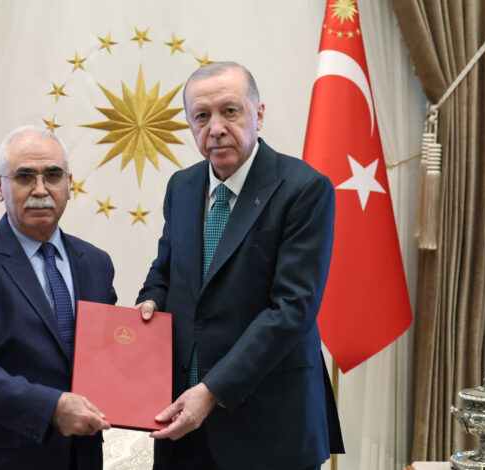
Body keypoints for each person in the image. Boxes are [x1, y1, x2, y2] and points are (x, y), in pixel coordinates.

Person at [136, 62, 344, 470]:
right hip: (183, 421)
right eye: (201, 116)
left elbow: (292, 309)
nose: (215, 128)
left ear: (258, 114)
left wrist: (212, 390)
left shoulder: (304, 189)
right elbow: (165, 270)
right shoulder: (182, 186)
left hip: (269, 425)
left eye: (230, 111)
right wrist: (150, 301)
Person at [0, 126, 116, 470]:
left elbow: (103, 354)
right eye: (25, 176)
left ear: (69, 184)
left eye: (53, 176)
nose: (41, 190)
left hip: (80, 458)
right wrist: (52, 407)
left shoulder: (96, 263)